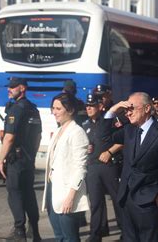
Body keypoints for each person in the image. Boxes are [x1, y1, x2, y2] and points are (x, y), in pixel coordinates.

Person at [105, 92, 158, 242]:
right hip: (126, 197)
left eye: (132, 109)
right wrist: (113, 109)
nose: (128, 113)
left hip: (147, 199)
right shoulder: (129, 130)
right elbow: (104, 136)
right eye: (126, 110)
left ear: (146, 109)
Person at [0, 77, 42, 241]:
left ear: (22, 88)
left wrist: (0, 159)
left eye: (13, 87)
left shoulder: (17, 109)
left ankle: (19, 232)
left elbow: (9, 137)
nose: (9, 89)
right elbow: (38, 136)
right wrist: (32, 155)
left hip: (16, 160)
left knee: (15, 194)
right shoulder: (33, 108)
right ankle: (35, 231)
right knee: (29, 194)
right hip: (28, 159)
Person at [41, 92, 90, 242]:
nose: (54, 112)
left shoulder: (77, 132)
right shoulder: (58, 130)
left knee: (70, 238)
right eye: (53, 108)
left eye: (58, 108)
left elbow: (80, 168)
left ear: (70, 110)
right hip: (53, 190)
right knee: (59, 236)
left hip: (67, 193)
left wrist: (70, 197)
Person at [82, 93, 123, 242]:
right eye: (87, 106)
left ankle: (126, 232)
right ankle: (95, 234)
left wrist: (109, 151)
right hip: (92, 167)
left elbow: (123, 140)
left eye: (92, 106)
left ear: (100, 107)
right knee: (95, 202)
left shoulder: (109, 122)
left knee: (117, 200)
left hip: (108, 166)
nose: (88, 108)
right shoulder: (85, 125)